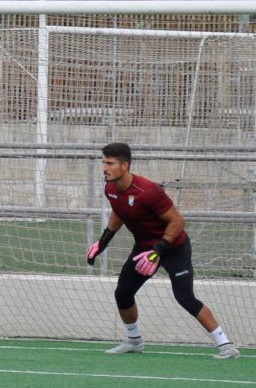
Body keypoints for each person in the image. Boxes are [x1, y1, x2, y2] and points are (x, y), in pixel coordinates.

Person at [87, 142, 239, 359]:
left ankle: (226, 345)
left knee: (185, 297)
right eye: (103, 162)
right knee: (123, 292)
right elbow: (119, 211)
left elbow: (177, 221)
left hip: (174, 247)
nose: (104, 167)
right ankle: (134, 341)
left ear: (125, 166)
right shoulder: (110, 188)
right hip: (144, 249)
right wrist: (103, 242)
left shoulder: (148, 191)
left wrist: (158, 250)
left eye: (110, 163)